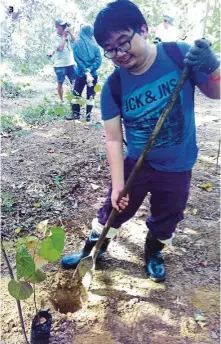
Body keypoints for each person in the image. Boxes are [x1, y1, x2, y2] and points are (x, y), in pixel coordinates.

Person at [61, 1, 220, 282]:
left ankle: (154, 252)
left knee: (168, 215)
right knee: (113, 209)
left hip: (178, 166)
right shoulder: (113, 86)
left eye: (123, 42)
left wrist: (213, 67)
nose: (119, 54)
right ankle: (93, 251)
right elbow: (113, 139)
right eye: (110, 50)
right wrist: (118, 185)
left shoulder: (178, 55)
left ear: (143, 30)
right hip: (138, 163)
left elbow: (216, 92)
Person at [67, 25, 102, 122]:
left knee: (76, 94)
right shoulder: (95, 46)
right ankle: (88, 116)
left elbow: (77, 59)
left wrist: (85, 70)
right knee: (90, 95)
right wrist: (90, 69)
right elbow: (98, 61)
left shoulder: (77, 44)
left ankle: (76, 115)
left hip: (80, 74)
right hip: (93, 75)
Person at [51, 19, 76, 102]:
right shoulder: (54, 37)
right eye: (62, 26)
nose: (64, 27)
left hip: (71, 63)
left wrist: (70, 33)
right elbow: (60, 48)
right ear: (57, 27)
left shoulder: (67, 35)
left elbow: (75, 41)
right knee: (60, 83)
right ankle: (62, 100)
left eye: (65, 25)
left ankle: (73, 100)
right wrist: (64, 37)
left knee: (74, 82)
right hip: (60, 65)